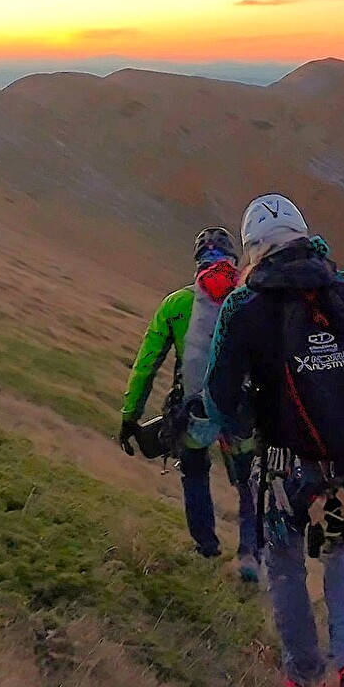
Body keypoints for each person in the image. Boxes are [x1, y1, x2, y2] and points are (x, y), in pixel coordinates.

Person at [191, 195, 344, 687]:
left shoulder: (245, 306)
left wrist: (245, 417)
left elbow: (220, 398)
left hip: (285, 467)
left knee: (286, 560)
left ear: (253, 250)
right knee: (342, 551)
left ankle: (304, 673)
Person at [119, 227, 260, 581]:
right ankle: (249, 556)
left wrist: (130, 415)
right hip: (241, 410)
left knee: (195, 472)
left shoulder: (177, 304)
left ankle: (206, 548)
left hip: (194, 410)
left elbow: (147, 363)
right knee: (248, 482)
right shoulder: (249, 299)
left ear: (197, 262)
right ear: (233, 258)